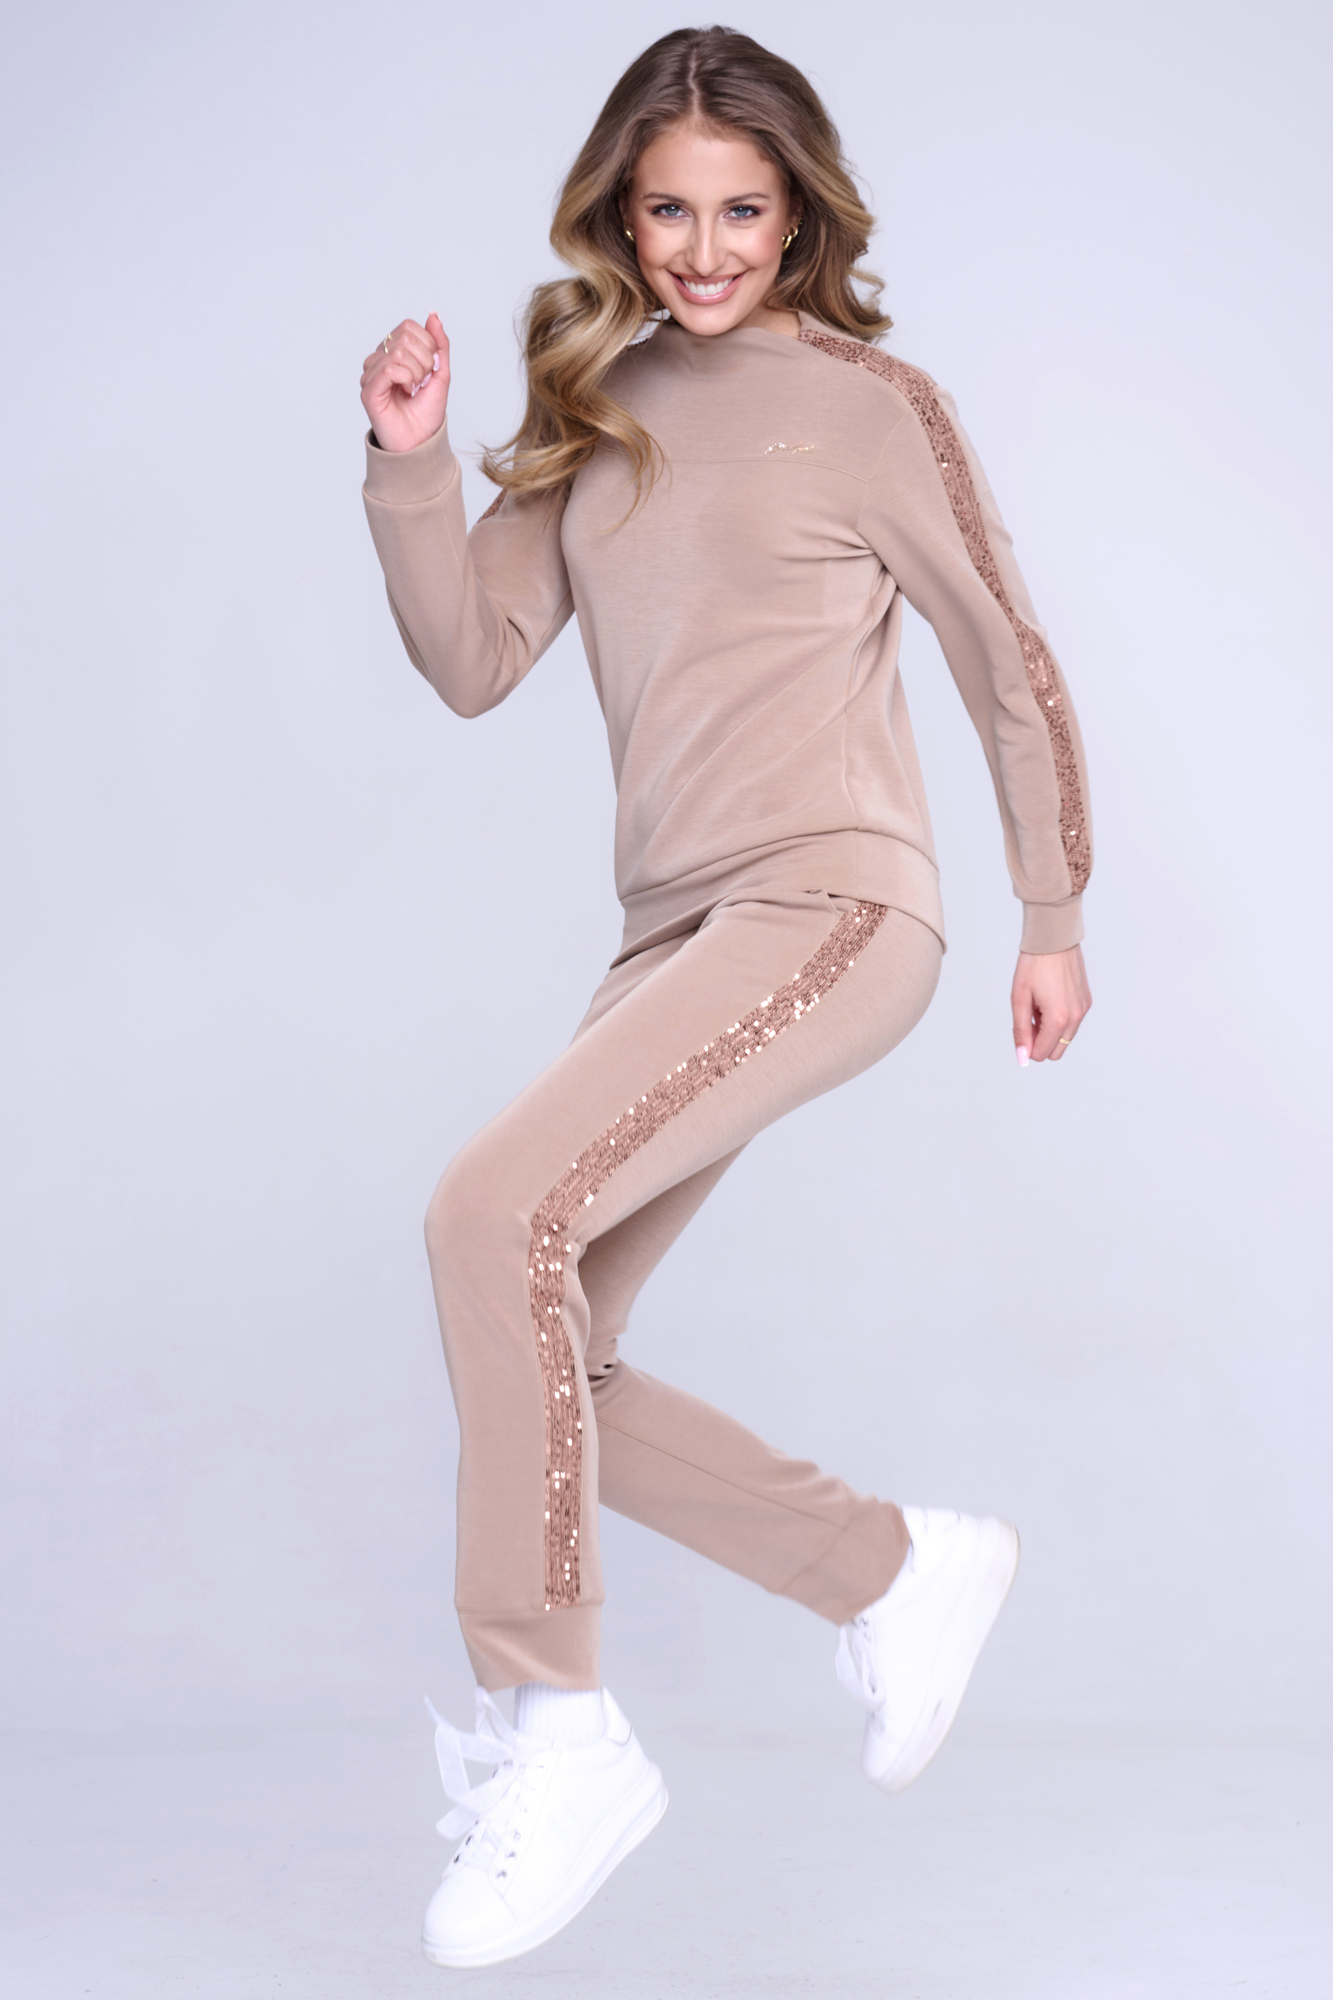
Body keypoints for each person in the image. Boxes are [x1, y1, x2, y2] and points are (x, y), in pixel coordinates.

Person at [358, 24, 1092, 1971]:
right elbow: (472, 658)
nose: (700, 249)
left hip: (833, 900)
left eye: (740, 211)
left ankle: (557, 1725)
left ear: (798, 215)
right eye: (666, 211)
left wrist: (1049, 910)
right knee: (543, 1343)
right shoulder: (594, 405)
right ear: (619, 215)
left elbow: (1005, 657)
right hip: (670, 937)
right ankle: (892, 1567)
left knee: (480, 1216)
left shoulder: (871, 406)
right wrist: (412, 464)